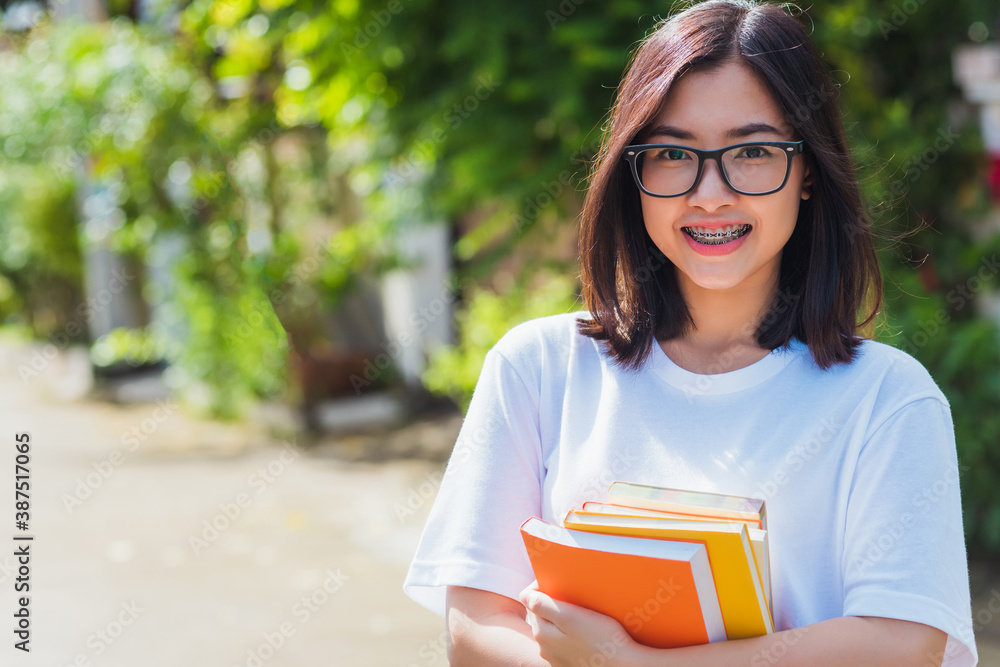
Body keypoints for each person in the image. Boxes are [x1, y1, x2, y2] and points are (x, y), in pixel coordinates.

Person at [403, 1, 978, 665]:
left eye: (754, 151)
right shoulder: (538, 369)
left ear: (810, 170)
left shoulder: (889, 400)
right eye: (674, 153)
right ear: (633, 171)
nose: (710, 194)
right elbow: (474, 629)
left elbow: (901, 644)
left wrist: (631, 663)